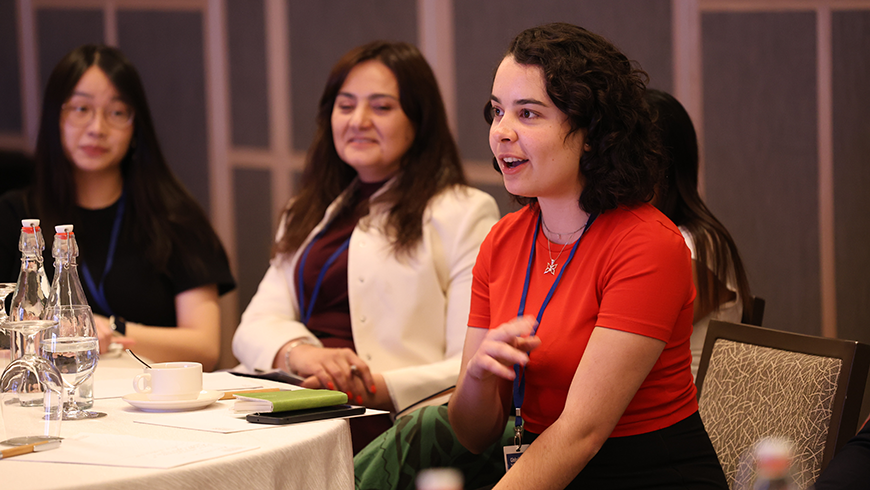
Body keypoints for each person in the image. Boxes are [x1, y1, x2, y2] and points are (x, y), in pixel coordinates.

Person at [446, 23, 728, 489]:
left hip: (645, 476)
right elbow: (473, 436)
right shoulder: (503, 241)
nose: (501, 133)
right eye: (497, 112)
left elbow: (582, 432)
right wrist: (477, 377)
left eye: (529, 114)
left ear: (592, 133)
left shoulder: (647, 244)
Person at [231, 41, 499, 451]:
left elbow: (467, 365)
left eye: (381, 107)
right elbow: (253, 326)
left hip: (389, 422)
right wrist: (301, 354)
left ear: (418, 119)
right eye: (346, 105)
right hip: (289, 400)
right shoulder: (308, 210)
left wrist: (374, 387)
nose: (358, 120)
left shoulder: (464, 212)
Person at [0, 44, 235, 370]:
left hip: (150, 402)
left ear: (136, 126)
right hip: (44, 399)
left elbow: (205, 347)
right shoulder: (16, 216)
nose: (97, 128)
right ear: (55, 116)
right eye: (81, 109)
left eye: (116, 112)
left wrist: (111, 329)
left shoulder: (174, 218)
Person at [646, 88, 752, 378]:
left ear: (663, 166)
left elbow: (633, 341)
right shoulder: (644, 237)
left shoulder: (695, 243)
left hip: (689, 414)